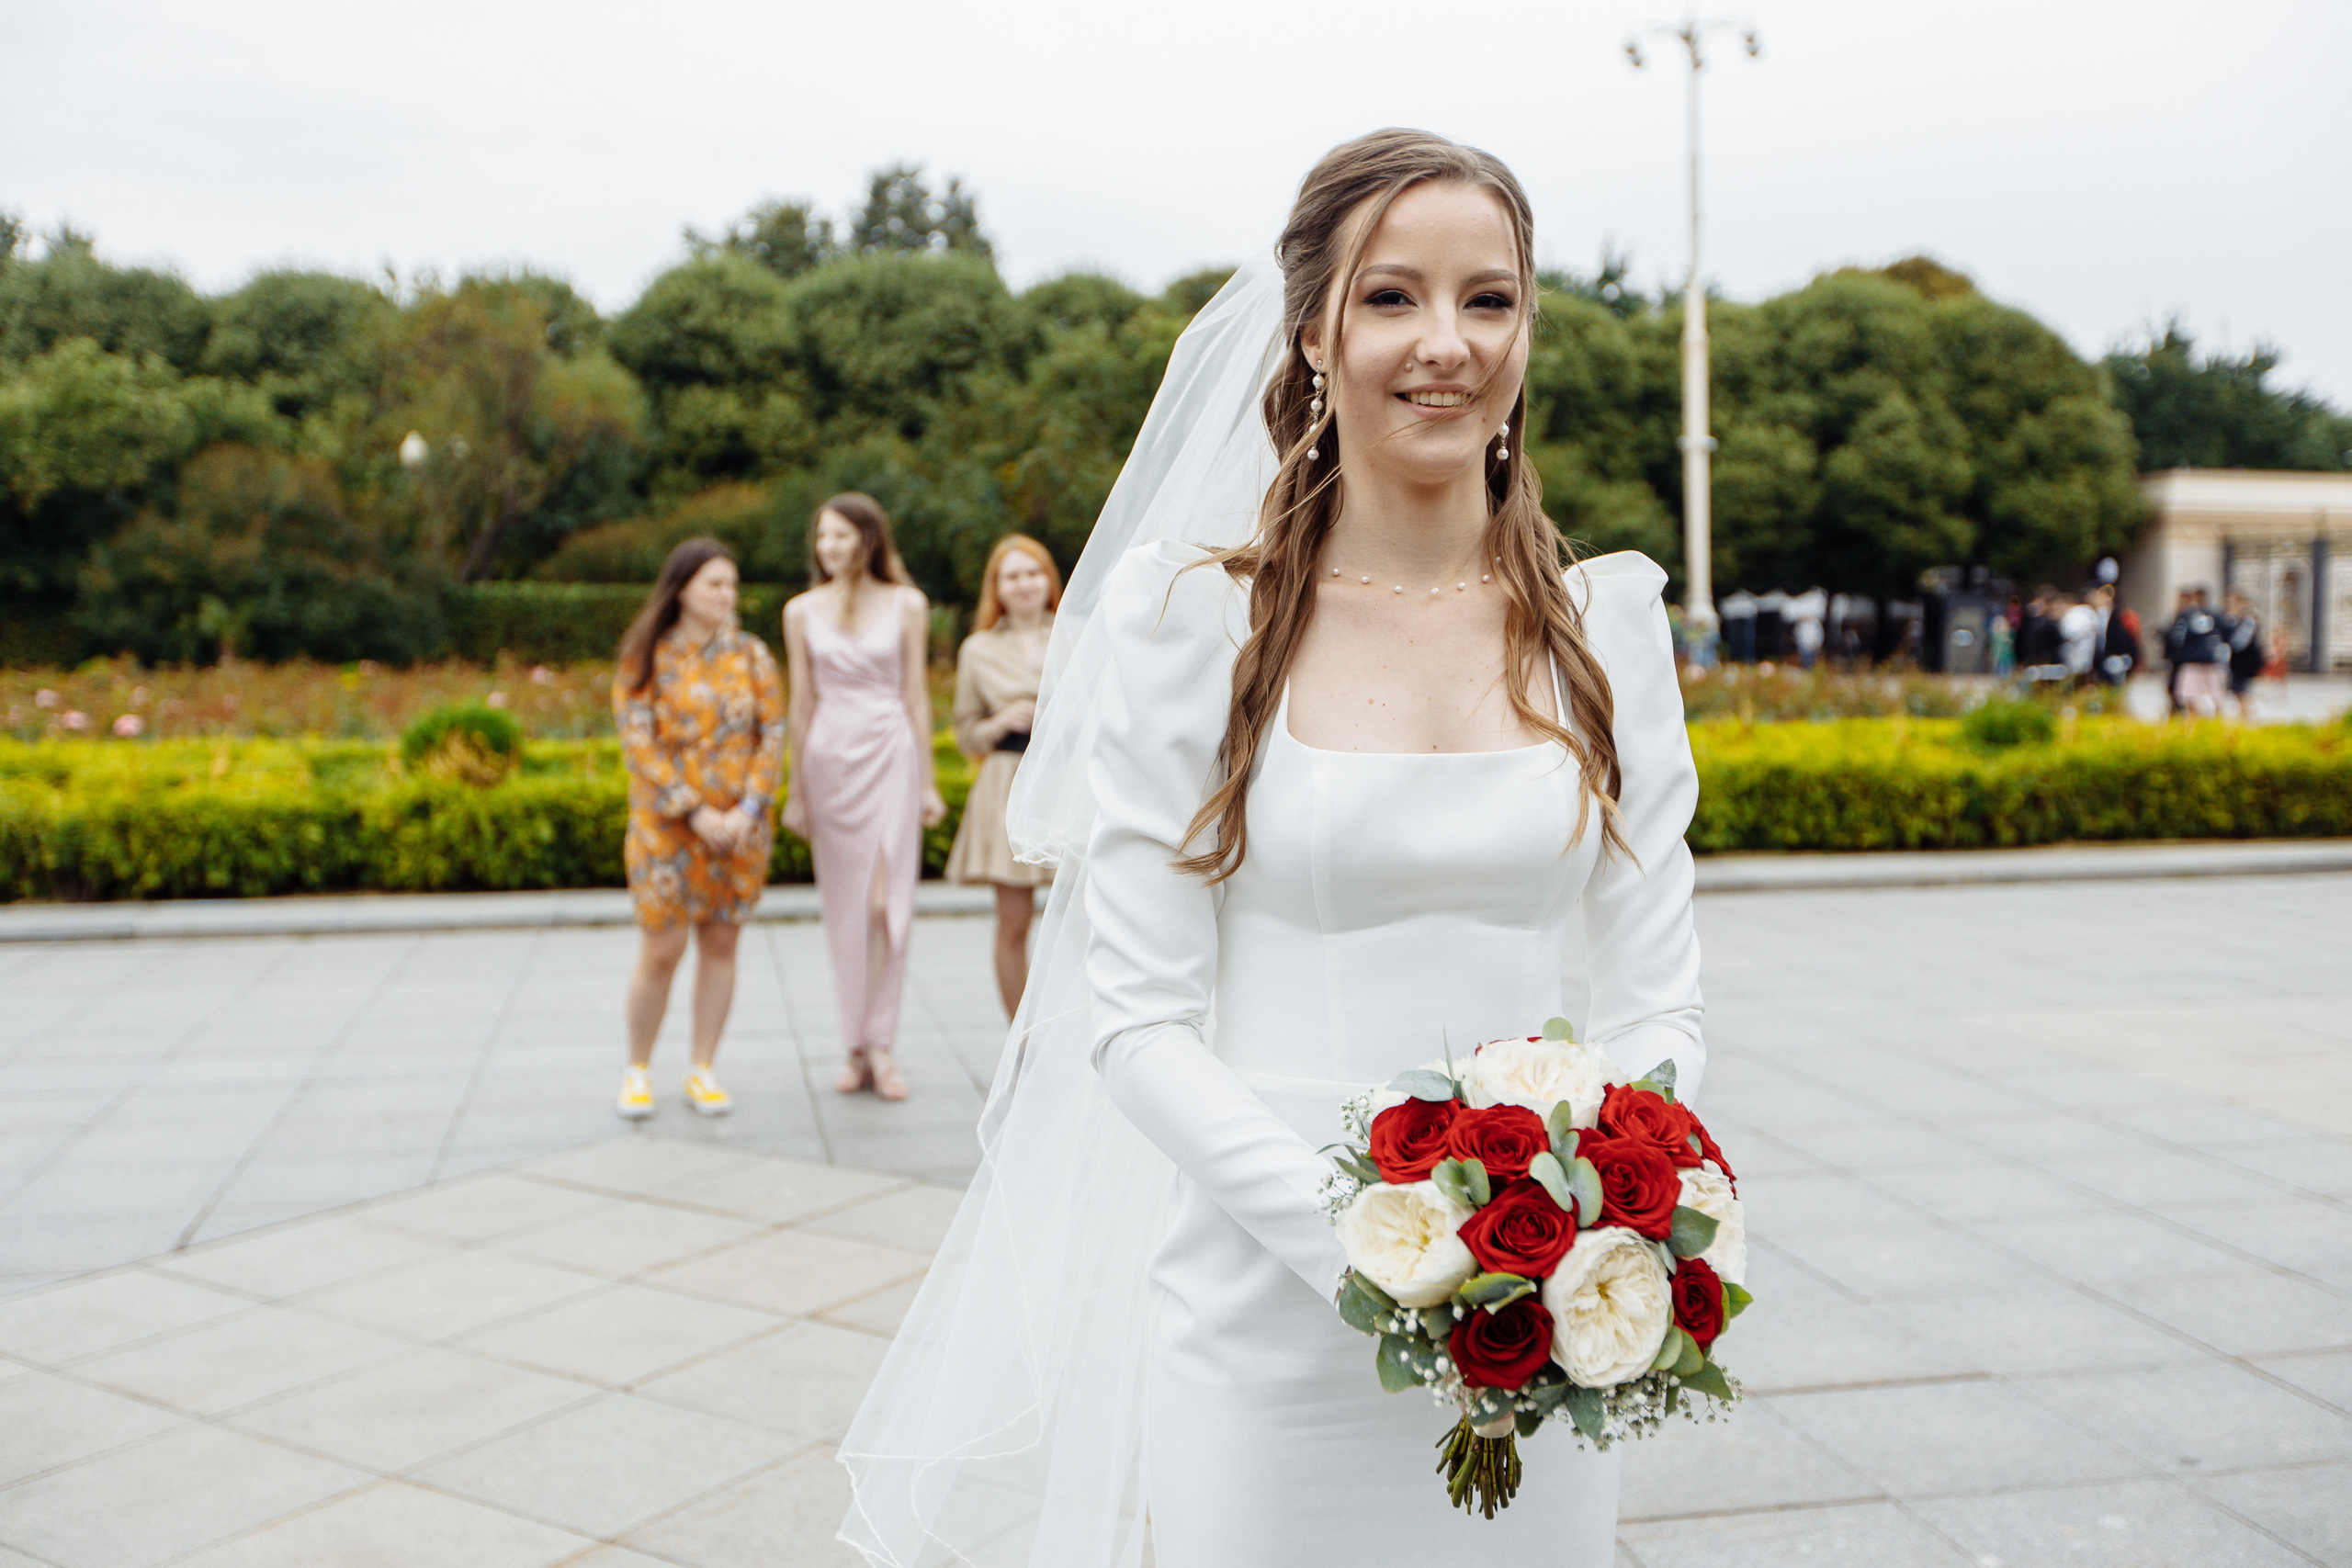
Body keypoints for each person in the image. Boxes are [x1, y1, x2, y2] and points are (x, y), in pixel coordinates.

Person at [841, 130, 1702, 1565]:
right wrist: (1387, 1249)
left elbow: (1657, 990)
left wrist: (1604, 1211)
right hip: (1261, 1309)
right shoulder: (1188, 627)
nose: (1447, 343)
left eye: (1490, 299)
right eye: (1392, 298)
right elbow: (1139, 1019)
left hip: (1542, 1310)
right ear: (1312, 329)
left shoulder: (1608, 627)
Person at [782, 494, 946, 1103]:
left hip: (890, 753)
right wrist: (795, 790)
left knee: (885, 904)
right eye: (822, 536)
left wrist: (928, 781)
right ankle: (855, 1043)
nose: (829, 547)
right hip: (829, 759)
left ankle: (881, 1040)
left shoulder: (908, 603)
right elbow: (800, 704)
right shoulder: (799, 611)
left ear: (869, 540)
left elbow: (917, 695)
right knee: (846, 909)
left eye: (842, 536)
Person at [612, 538, 783, 1120]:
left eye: (731, 585)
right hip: (668, 829)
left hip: (739, 830)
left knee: (722, 942)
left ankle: (702, 1067)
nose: (726, 595)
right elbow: (639, 742)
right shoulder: (645, 657)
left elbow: (772, 737)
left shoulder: (754, 656)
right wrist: (693, 810)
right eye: (715, 583)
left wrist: (747, 811)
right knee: (662, 947)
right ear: (682, 587)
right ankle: (638, 1068)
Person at [945, 534, 1060, 1017]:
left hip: (1063, 780)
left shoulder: (1077, 633)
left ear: (1048, 578)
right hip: (1006, 784)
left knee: (1076, 917)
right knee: (1013, 923)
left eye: (1032, 572)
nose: (1024, 584)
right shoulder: (978, 650)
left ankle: (1071, 1024)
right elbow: (965, 731)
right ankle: (1022, 1035)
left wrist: (1051, 716)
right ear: (997, 586)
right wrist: (997, 724)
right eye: (1012, 575)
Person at [2165, 584, 2226, 717]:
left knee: (2191, 696)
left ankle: (2196, 722)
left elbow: (2177, 638)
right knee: (2216, 696)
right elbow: (2225, 636)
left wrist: (2176, 655)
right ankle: (2218, 722)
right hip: (2212, 661)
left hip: (2192, 661)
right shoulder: (2217, 615)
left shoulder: (2185, 616)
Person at [2224, 590, 2265, 718]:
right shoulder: (2233, 620)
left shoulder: (2248, 621)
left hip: (2246, 662)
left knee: (2242, 692)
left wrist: (2226, 644)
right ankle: (2244, 716)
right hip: (2236, 663)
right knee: (2238, 692)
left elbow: (2239, 642)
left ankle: (2248, 717)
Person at [2086, 583, 2134, 685]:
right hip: (2100, 657)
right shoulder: (2096, 614)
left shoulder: (2118, 614)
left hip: (2115, 656)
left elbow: (2125, 636)